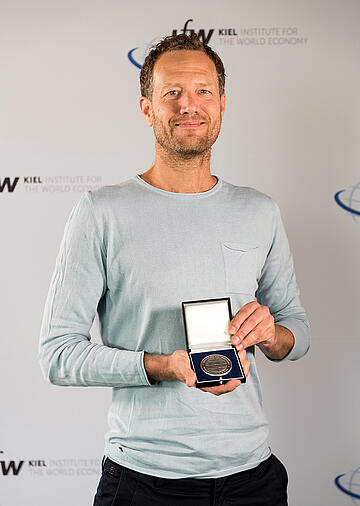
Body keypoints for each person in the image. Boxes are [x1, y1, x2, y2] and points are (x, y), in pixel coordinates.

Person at [39, 33, 310, 505]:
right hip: (142, 480)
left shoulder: (259, 211)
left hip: (253, 477)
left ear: (222, 104)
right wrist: (163, 365)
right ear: (146, 108)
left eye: (203, 91)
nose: (190, 105)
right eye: (172, 93)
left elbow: (297, 334)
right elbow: (58, 355)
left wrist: (271, 333)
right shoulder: (101, 211)